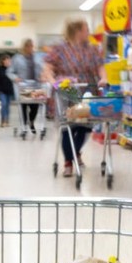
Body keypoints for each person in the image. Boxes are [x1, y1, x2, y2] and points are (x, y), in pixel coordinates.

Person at [43, 19, 107, 178]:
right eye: (86, 29)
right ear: (78, 31)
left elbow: (100, 67)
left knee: (86, 127)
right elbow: (48, 68)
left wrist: (103, 78)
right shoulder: (59, 49)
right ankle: (68, 162)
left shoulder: (92, 50)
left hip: (88, 92)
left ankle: (74, 152)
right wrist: (52, 81)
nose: (89, 32)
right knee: (69, 126)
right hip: (67, 92)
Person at [9, 39, 41, 134]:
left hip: (35, 86)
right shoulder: (17, 58)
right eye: (29, 46)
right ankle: (24, 127)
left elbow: (41, 69)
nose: (31, 48)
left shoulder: (36, 58)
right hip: (23, 87)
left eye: (32, 46)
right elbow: (9, 71)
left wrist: (42, 76)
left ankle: (31, 121)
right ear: (25, 47)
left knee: (35, 106)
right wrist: (15, 78)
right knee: (23, 106)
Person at [0, 54, 14, 127]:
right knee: (3, 105)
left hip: (9, 90)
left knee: (8, 106)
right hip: (2, 91)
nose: (8, 61)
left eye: (9, 60)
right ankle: (3, 121)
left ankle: (7, 120)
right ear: (3, 61)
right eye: (6, 60)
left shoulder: (11, 70)